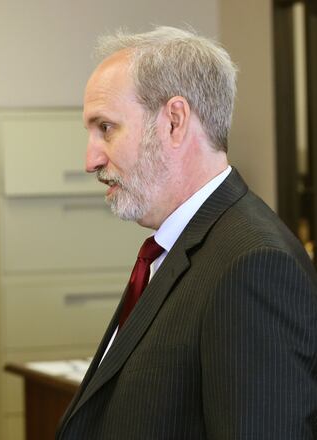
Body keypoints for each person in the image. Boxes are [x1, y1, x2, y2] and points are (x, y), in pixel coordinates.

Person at [57, 26, 317, 439]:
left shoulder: (253, 264)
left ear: (174, 122)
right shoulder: (179, 245)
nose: (90, 159)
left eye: (105, 128)